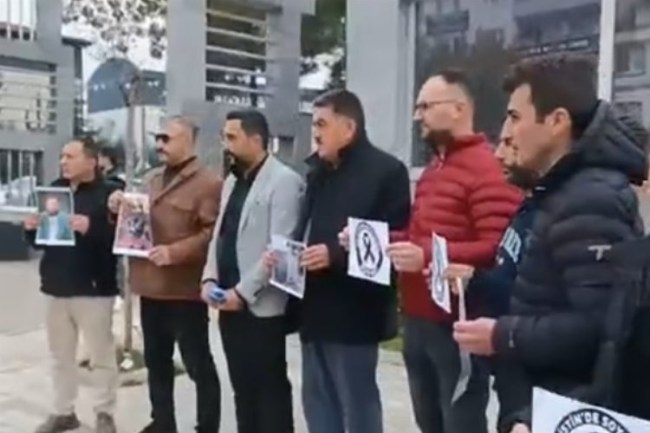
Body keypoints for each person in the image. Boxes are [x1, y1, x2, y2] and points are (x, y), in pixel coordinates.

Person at [452, 54, 647, 433]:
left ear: (557, 121)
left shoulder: (592, 198)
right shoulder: (556, 190)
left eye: (515, 117)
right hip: (536, 405)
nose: (507, 132)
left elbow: (600, 328)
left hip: (563, 413)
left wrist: (504, 335)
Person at [385, 69, 522, 433]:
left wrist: (427, 256)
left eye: (426, 107)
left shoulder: (488, 169)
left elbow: (499, 248)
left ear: (459, 109)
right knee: (428, 421)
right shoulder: (434, 169)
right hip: (417, 318)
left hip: (457, 322)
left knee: (460, 422)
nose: (418, 116)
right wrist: (384, 241)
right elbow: (421, 236)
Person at [293, 89, 411, 433]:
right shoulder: (317, 172)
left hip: (355, 312)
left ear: (348, 128)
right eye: (313, 124)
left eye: (322, 124)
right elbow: (306, 226)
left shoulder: (387, 172)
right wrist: (289, 254)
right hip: (314, 308)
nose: (315, 132)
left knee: (356, 404)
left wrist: (334, 255)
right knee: (317, 402)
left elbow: (390, 238)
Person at [108, 116, 222, 433]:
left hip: (184, 291)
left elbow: (213, 233)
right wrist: (118, 208)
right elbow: (136, 221)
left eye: (167, 138)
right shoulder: (152, 178)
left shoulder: (208, 183)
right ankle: (163, 422)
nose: (159, 144)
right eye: (158, 138)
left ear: (189, 141)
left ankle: (207, 426)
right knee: (157, 363)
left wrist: (176, 252)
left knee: (198, 364)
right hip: (151, 287)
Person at [201, 109, 304, 433]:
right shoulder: (232, 181)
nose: (225, 144)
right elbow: (220, 234)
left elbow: (281, 247)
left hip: (262, 305)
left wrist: (242, 293)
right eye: (224, 136)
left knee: (269, 392)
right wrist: (209, 278)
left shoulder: (285, 182)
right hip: (227, 302)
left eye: (232, 137)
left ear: (256, 139)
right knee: (242, 390)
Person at [24, 136, 121, 433]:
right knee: (60, 357)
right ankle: (63, 411)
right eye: (62, 156)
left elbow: (123, 239)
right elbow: (40, 242)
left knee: (100, 356)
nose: (63, 162)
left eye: (70, 156)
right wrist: (31, 229)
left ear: (92, 161)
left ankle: (104, 413)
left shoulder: (111, 194)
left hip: (94, 288)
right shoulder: (53, 191)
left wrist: (91, 227)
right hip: (55, 286)